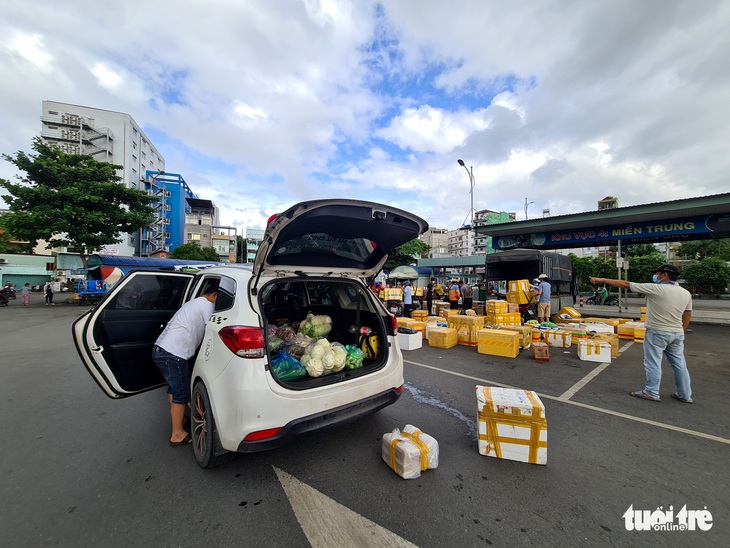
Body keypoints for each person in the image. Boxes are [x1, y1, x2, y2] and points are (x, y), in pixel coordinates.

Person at [591, 264, 693, 403]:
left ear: (665, 275)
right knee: (679, 364)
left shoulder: (656, 288)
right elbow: (687, 315)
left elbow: (625, 284)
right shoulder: (685, 293)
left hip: (657, 332)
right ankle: (685, 394)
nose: (655, 276)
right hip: (677, 333)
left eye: (657, 274)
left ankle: (651, 392)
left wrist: (601, 279)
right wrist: (682, 330)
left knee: (653, 363)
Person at [152, 283, 218, 446]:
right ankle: (177, 434)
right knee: (182, 394)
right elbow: (212, 329)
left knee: (174, 389)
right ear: (215, 295)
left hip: (161, 349)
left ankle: (181, 418)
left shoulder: (194, 302)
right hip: (173, 353)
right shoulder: (207, 306)